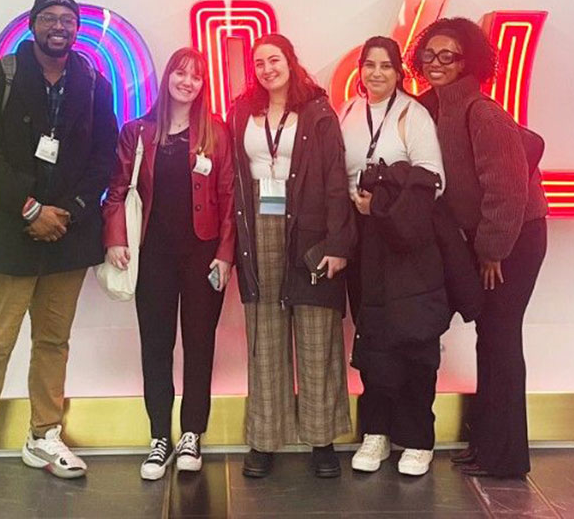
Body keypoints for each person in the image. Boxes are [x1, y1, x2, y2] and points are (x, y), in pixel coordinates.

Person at [0, 0, 119, 499]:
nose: (59, 26)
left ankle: (44, 435)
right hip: (8, 231)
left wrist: (73, 211)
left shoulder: (92, 81)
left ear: (77, 29)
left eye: (67, 19)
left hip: (68, 232)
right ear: (32, 25)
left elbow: (103, 155)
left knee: (53, 342)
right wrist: (30, 208)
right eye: (49, 18)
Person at [409, 17, 548, 478]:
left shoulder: (481, 111)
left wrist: (491, 251)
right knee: (490, 340)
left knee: (502, 340)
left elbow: (507, 191)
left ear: (469, 60)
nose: (436, 63)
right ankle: (487, 445)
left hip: (514, 240)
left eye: (447, 55)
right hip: (489, 240)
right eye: (429, 55)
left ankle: (505, 457)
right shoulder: (435, 108)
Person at [103, 47, 235, 481]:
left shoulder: (216, 133)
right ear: (167, 78)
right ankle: (160, 436)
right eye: (181, 73)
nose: (187, 81)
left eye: (196, 76)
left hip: (203, 255)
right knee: (155, 347)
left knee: (200, 347)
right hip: (153, 255)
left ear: (203, 85)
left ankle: (192, 434)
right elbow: (118, 190)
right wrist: (116, 239)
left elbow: (231, 198)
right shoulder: (138, 131)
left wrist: (225, 254)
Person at [229, 33, 355, 479]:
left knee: (317, 336)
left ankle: (322, 440)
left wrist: (339, 244)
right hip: (259, 228)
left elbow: (337, 178)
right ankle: (264, 440)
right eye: (259, 62)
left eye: (274, 59)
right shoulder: (243, 111)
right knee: (265, 334)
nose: (267, 68)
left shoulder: (318, 112)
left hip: (312, 231)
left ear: (290, 61)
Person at [339, 36, 447, 477]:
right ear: (360, 70)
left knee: (414, 340)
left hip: (405, 245)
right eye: (369, 65)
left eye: (386, 66)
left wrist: (380, 202)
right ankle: (376, 433)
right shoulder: (346, 111)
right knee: (372, 339)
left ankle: (418, 438)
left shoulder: (413, 115)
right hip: (361, 240)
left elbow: (435, 181)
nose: (376, 73)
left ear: (399, 72)